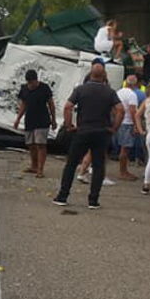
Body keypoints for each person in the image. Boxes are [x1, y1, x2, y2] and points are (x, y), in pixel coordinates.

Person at [54, 63, 123, 210]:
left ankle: (62, 195)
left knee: (71, 164)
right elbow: (120, 110)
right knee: (98, 166)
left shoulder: (80, 89)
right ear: (104, 76)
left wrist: (69, 125)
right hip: (102, 132)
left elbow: (68, 107)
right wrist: (114, 128)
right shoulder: (110, 92)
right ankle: (93, 200)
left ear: (90, 74)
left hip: (83, 130)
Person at [13, 70, 56, 178]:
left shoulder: (44, 88)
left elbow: (51, 104)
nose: (30, 85)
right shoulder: (24, 89)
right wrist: (18, 119)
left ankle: (40, 169)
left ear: (36, 80)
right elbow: (23, 104)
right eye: (28, 83)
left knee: (40, 144)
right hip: (30, 120)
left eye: (32, 82)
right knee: (30, 144)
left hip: (42, 120)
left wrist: (53, 119)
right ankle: (34, 166)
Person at [115, 75, 141, 181]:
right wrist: (136, 125)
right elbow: (132, 110)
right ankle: (123, 171)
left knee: (123, 147)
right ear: (135, 84)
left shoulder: (119, 92)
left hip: (120, 121)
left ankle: (124, 170)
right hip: (127, 122)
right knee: (125, 149)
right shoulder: (132, 95)